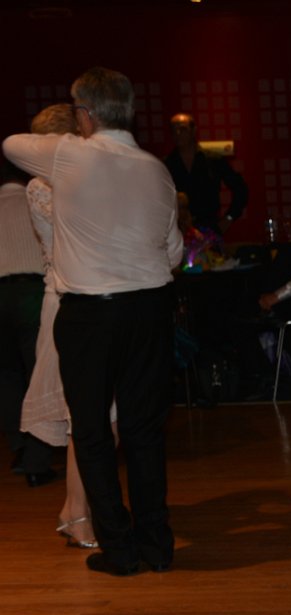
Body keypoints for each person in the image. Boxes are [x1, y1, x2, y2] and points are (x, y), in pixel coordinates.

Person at [4, 67, 184, 576]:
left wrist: (72, 140)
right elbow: (173, 251)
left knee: (92, 432)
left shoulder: (69, 155)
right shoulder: (156, 169)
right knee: (144, 430)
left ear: (84, 115)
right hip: (151, 308)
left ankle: (120, 550)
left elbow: (11, 144)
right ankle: (157, 546)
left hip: (91, 312)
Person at [19, 103, 109, 549]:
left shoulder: (70, 182)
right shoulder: (41, 186)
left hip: (87, 301)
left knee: (94, 416)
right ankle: (78, 513)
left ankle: (76, 509)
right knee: (85, 415)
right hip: (67, 303)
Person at [0, 155, 57, 488]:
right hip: (32, 294)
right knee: (40, 376)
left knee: (6, 376)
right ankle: (37, 461)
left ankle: (19, 449)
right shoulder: (36, 199)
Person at [164, 113, 248, 235]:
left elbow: (240, 189)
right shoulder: (166, 164)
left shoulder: (212, 160)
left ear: (193, 130)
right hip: (178, 232)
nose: (178, 134)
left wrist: (228, 218)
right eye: (174, 130)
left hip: (209, 230)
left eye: (182, 129)